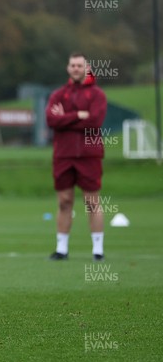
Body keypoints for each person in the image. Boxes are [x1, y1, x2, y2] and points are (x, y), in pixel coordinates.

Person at [46, 52, 107, 261]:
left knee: (92, 201)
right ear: (68, 68)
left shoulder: (97, 95)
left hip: (89, 154)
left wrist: (65, 117)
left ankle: (98, 250)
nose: (76, 69)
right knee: (64, 201)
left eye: (79, 65)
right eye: (72, 65)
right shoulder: (58, 94)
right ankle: (61, 249)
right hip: (63, 155)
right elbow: (51, 120)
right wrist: (78, 115)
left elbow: (95, 121)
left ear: (86, 67)